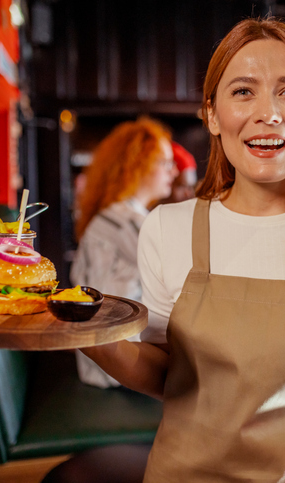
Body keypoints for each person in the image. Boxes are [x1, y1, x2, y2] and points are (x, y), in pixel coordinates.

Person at [81, 18, 285, 482]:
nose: (268, 112)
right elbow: (164, 371)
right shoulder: (166, 228)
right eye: (243, 91)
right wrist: (90, 338)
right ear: (212, 115)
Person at [70, 117, 178, 388]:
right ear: (137, 165)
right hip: (114, 368)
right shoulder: (122, 221)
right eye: (165, 163)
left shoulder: (115, 217)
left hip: (107, 358)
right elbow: (186, 274)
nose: (173, 172)